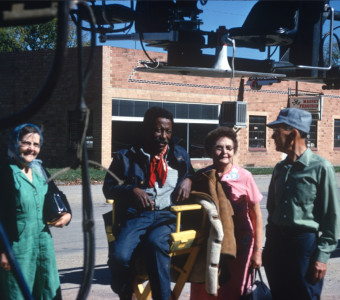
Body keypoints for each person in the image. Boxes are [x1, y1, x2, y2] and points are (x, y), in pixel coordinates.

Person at [103, 106, 194, 300]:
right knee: (119, 257)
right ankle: (126, 288)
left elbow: (191, 172)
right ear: (146, 130)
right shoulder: (125, 156)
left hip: (167, 216)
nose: (163, 136)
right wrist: (131, 190)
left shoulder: (179, 154)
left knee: (155, 244)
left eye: (168, 131)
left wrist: (188, 180)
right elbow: (108, 188)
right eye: (158, 130)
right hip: (137, 216)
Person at [263, 108, 340, 300]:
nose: (272, 136)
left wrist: (322, 257)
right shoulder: (280, 168)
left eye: (277, 130)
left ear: (294, 133)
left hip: (303, 247)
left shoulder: (321, 168)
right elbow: (272, 209)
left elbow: (332, 217)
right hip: (276, 244)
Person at [190, 126, 263, 300]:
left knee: (235, 291)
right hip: (209, 245)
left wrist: (258, 251)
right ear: (210, 150)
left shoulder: (244, 176)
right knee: (206, 290)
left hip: (241, 245)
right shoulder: (201, 177)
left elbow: (256, 215)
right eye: (219, 147)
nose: (225, 152)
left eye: (229, 148)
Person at [0, 123, 72, 299]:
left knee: (47, 289)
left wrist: (67, 214)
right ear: (14, 144)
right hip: (17, 247)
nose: (31, 149)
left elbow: (57, 195)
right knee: (16, 292)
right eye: (26, 143)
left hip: (43, 243)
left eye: (36, 144)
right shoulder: (5, 172)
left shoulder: (39, 169)